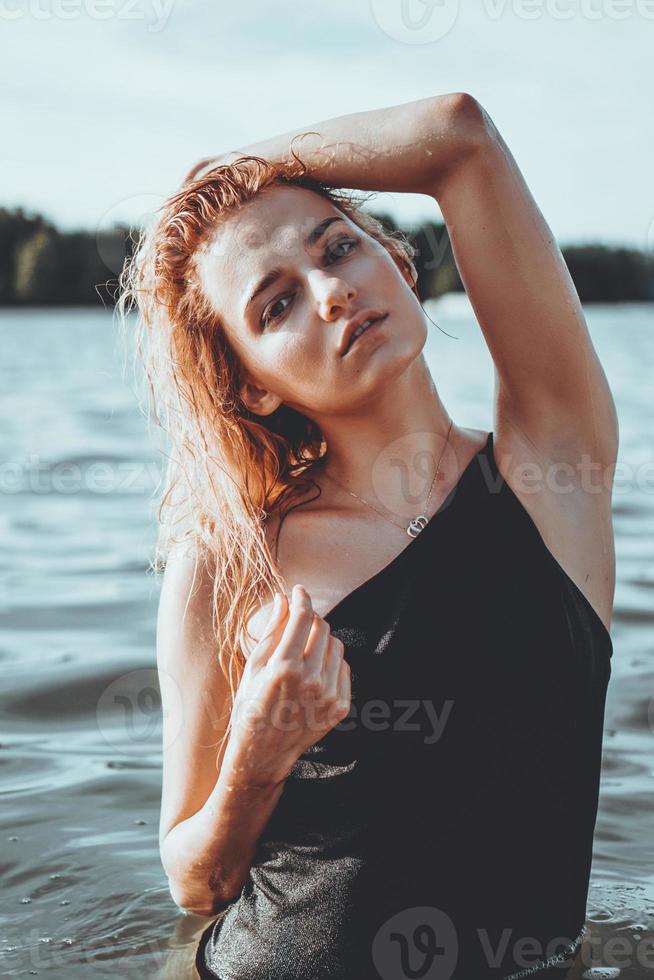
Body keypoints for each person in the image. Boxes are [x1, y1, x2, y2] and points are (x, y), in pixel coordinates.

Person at [117, 92, 618, 979]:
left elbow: (461, 135)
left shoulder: (554, 472)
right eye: (276, 306)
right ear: (254, 387)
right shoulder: (232, 559)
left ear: (396, 256)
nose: (333, 291)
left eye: (339, 246)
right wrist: (255, 759)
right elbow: (196, 881)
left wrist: (237, 167)